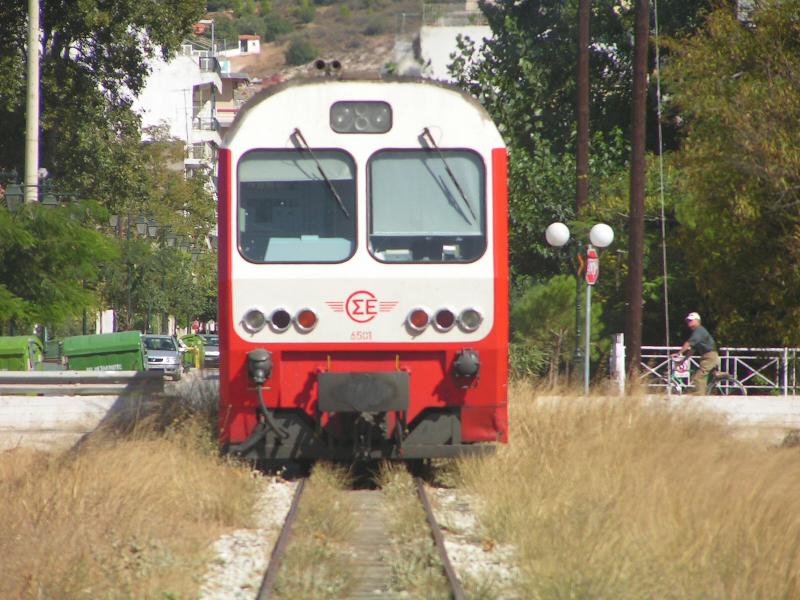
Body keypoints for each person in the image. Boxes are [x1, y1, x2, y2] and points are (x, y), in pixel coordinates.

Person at [672, 312, 720, 394]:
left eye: (690, 320)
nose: (688, 322)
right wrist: (683, 360)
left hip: (709, 357)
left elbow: (688, 343)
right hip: (708, 356)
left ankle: (701, 395)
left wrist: (679, 353)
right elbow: (692, 350)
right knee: (702, 376)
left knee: (698, 377)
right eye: (688, 321)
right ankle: (719, 376)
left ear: (697, 321)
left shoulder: (699, 331)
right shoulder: (697, 332)